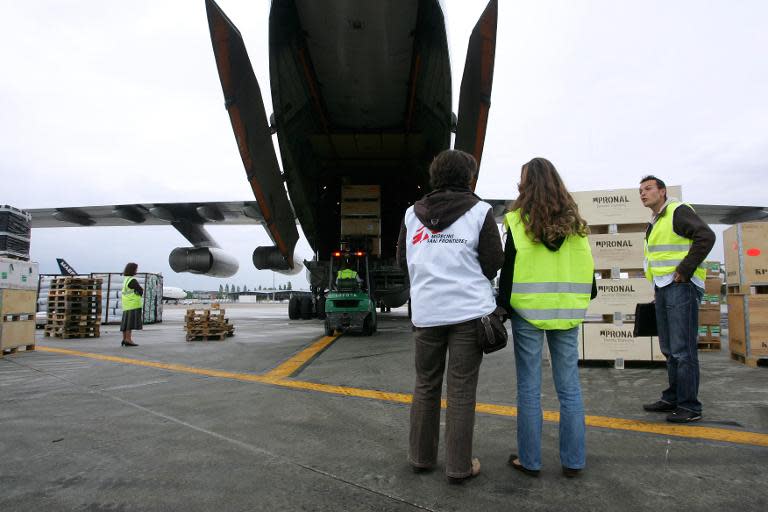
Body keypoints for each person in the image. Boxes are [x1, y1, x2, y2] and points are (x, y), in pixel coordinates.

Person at [397, 149, 503, 484]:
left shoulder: (412, 214)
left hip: (427, 312)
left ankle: (420, 457)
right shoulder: (481, 211)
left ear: (436, 177)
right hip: (468, 314)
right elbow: (493, 261)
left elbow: (402, 261)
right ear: (468, 177)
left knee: (425, 384)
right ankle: (458, 466)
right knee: (460, 389)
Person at [497, 157, 596, 478]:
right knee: (569, 388)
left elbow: (508, 271)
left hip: (527, 311)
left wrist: (502, 307)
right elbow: (588, 273)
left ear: (526, 184)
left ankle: (530, 460)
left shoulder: (516, 221)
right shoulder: (576, 224)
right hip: (567, 312)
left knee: (529, 389)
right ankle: (574, 461)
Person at [640, 175, 715, 423]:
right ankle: (672, 397)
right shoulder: (655, 221)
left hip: (680, 286)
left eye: (649, 188)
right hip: (664, 288)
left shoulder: (677, 211)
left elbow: (706, 236)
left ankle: (690, 406)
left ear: (662, 192)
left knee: (683, 350)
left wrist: (685, 269)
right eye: (641, 190)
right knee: (670, 349)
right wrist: (658, 287)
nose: (643, 193)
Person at [120, 262, 143, 347]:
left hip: (126, 304)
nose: (137, 270)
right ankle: (128, 339)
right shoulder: (132, 280)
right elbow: (140, 290)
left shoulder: (126, 279)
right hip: (133, 304)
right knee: (130, 323)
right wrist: (140, 292)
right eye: (136, 269)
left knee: (125, 323)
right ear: (132, 270)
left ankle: (124, 339)